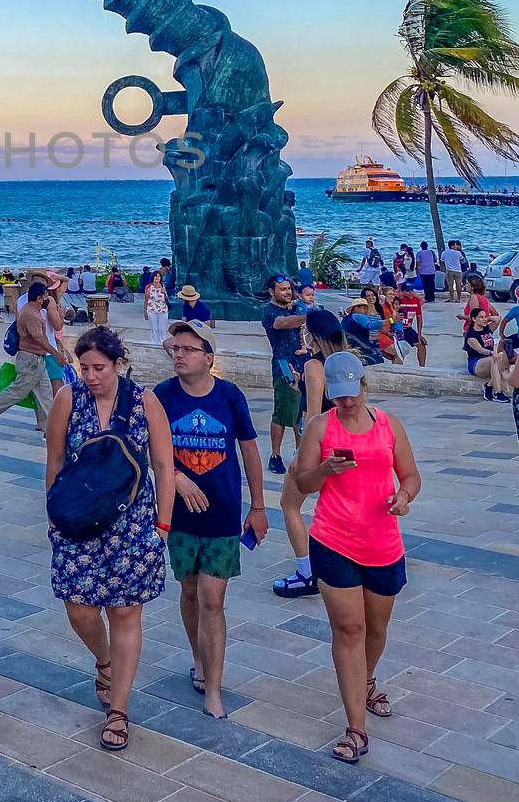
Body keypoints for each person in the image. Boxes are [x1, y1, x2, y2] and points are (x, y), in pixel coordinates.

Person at [47, 326, 174, 752]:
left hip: (133, 525)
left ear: (117, 365)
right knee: (79, 610)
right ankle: (105, 662)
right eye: (84, 367)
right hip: (79, 523)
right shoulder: (68, 399)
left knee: (125, 615)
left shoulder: (145, 401)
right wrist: (54, 516)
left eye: (98, 367)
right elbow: (56, 460)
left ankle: (118, 710)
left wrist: (162, 525)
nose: (90, 375)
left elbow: (163, 464)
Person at [295, 352, 421, 763]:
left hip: (383, 542)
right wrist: (326, 470)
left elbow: (411, 475)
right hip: (333, 539)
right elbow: (303, 482)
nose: (345, 402)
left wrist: (403, 497)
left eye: (352, 394)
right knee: (349, 629)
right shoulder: (320, 426)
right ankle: (355, 728)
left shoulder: (388, 425)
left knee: (376, 630)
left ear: (364, 386)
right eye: (339, 396)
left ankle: (366, 679)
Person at [154, 320, 267, 721]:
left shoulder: (230, 397)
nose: (179, 355)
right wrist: (178, 479)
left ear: (209, 357)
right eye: (175, 349)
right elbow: (152, 448)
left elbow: (250, 451)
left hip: (223, 514)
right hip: (179, 516)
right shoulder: (162, 397)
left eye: (188, 349)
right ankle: (198, 659)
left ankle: (214, 690)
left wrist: (257, 506)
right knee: (188, 592)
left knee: (213, 599)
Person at [272, 308, 346, 598]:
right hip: (345, 440)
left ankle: (306, 572)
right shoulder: (346, 361)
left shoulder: (315, 366)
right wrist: (297, 384)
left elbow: (314, 413)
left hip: (322, 443)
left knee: (289, 504)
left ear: (312, 333)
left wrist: (302, 456)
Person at [0, 281, 62, 433]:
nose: (47, 299)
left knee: (46, 394)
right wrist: (56, 354)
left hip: (37, 360)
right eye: (45, 297)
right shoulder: (31, 315)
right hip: (30, 360)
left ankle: (53, 428)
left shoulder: (30, 310)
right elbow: (39, 338)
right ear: (38, 299)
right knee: (18, 391)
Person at [261, 274, 307, 474]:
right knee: (282, 412)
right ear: (272, 291)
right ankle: (275, 454)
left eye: (289, 288)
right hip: (284, 365)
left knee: (301, 413)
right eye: (283, 289)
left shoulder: (298, 307)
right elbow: (282, 323)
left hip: (304, 363)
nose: (287, 292)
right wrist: (311, 315)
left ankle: (301, 452)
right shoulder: (269, 311)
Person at [464, 308, 509, 401]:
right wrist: (492, 352)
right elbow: (480, 350)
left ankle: (489, 387)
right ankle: (497, 392)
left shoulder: (487, 329)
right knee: (495, 359)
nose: (484, 319)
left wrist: (486, 319)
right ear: (473, 319)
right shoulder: (471, 335)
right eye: (481, 317)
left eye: (485, 316)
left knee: (503, 357)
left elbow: (498, 318)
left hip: (490, 361)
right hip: (476, 363)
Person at [393, 279, 428, 367]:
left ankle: (422, 367)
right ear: (402, 291)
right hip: (397, 329)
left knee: (422, 345)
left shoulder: (416, 300)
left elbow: (419, 318)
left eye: (412, 290)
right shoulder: (398, 300)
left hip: (407, 329)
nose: (410, 292)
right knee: (399, 350)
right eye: (407, 291)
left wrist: (419, 334)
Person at [143, 269, 170, 347]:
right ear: (152, 278)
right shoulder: (149, 287)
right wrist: (145, 312)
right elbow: (146, 300)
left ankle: (163, 343)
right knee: (154, 328)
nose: (157, 278)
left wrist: (164, 292)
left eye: (158, 276)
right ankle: (153, 343)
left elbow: (166, 298)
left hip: (163, 310)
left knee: (162, 328)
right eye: (155, 276)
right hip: (152, 310)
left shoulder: (163, 286)